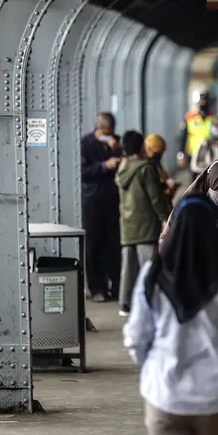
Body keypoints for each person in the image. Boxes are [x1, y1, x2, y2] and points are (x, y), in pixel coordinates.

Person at [123, 195, 218, 435]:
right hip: (217, 396)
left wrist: (154, 367)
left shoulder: (153, 272)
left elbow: (136, 337)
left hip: (165, 395)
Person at [115, 131, 172, 317]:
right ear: (142, 147)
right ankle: (149, 302)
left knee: (128, 268)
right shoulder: (146, 168)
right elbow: (156, 197)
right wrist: (165, 217)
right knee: (148, 265)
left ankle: (125, 303)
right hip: (146, 225)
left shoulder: (122, 166)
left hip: (127, 224)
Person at [81, 112, 122, 303]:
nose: (109, 135)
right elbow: (83, 171)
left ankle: (116, 285)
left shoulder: (117, 143)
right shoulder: (85, 144)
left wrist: (117, 150)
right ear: (98, 129)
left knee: (114, 245)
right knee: (94, 244)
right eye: (106, 132)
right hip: (92, 200)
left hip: (113, 199)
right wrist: (104, 166)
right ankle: (96, 287)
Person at [177, 92, 214, 180]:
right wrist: (181, 155)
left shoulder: (213, 118)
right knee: (194, 182)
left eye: (205, 101)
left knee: (209, 181)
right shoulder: (190, 117)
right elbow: (183, 137)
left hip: (209, 155)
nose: (203, 103)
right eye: (201, 101)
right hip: (193, 153)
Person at [145, 133, 181, 210]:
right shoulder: (148, 168)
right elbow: (154, 193)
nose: (159, 156)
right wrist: (167, 186)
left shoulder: (158, 166)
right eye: (157, 153)